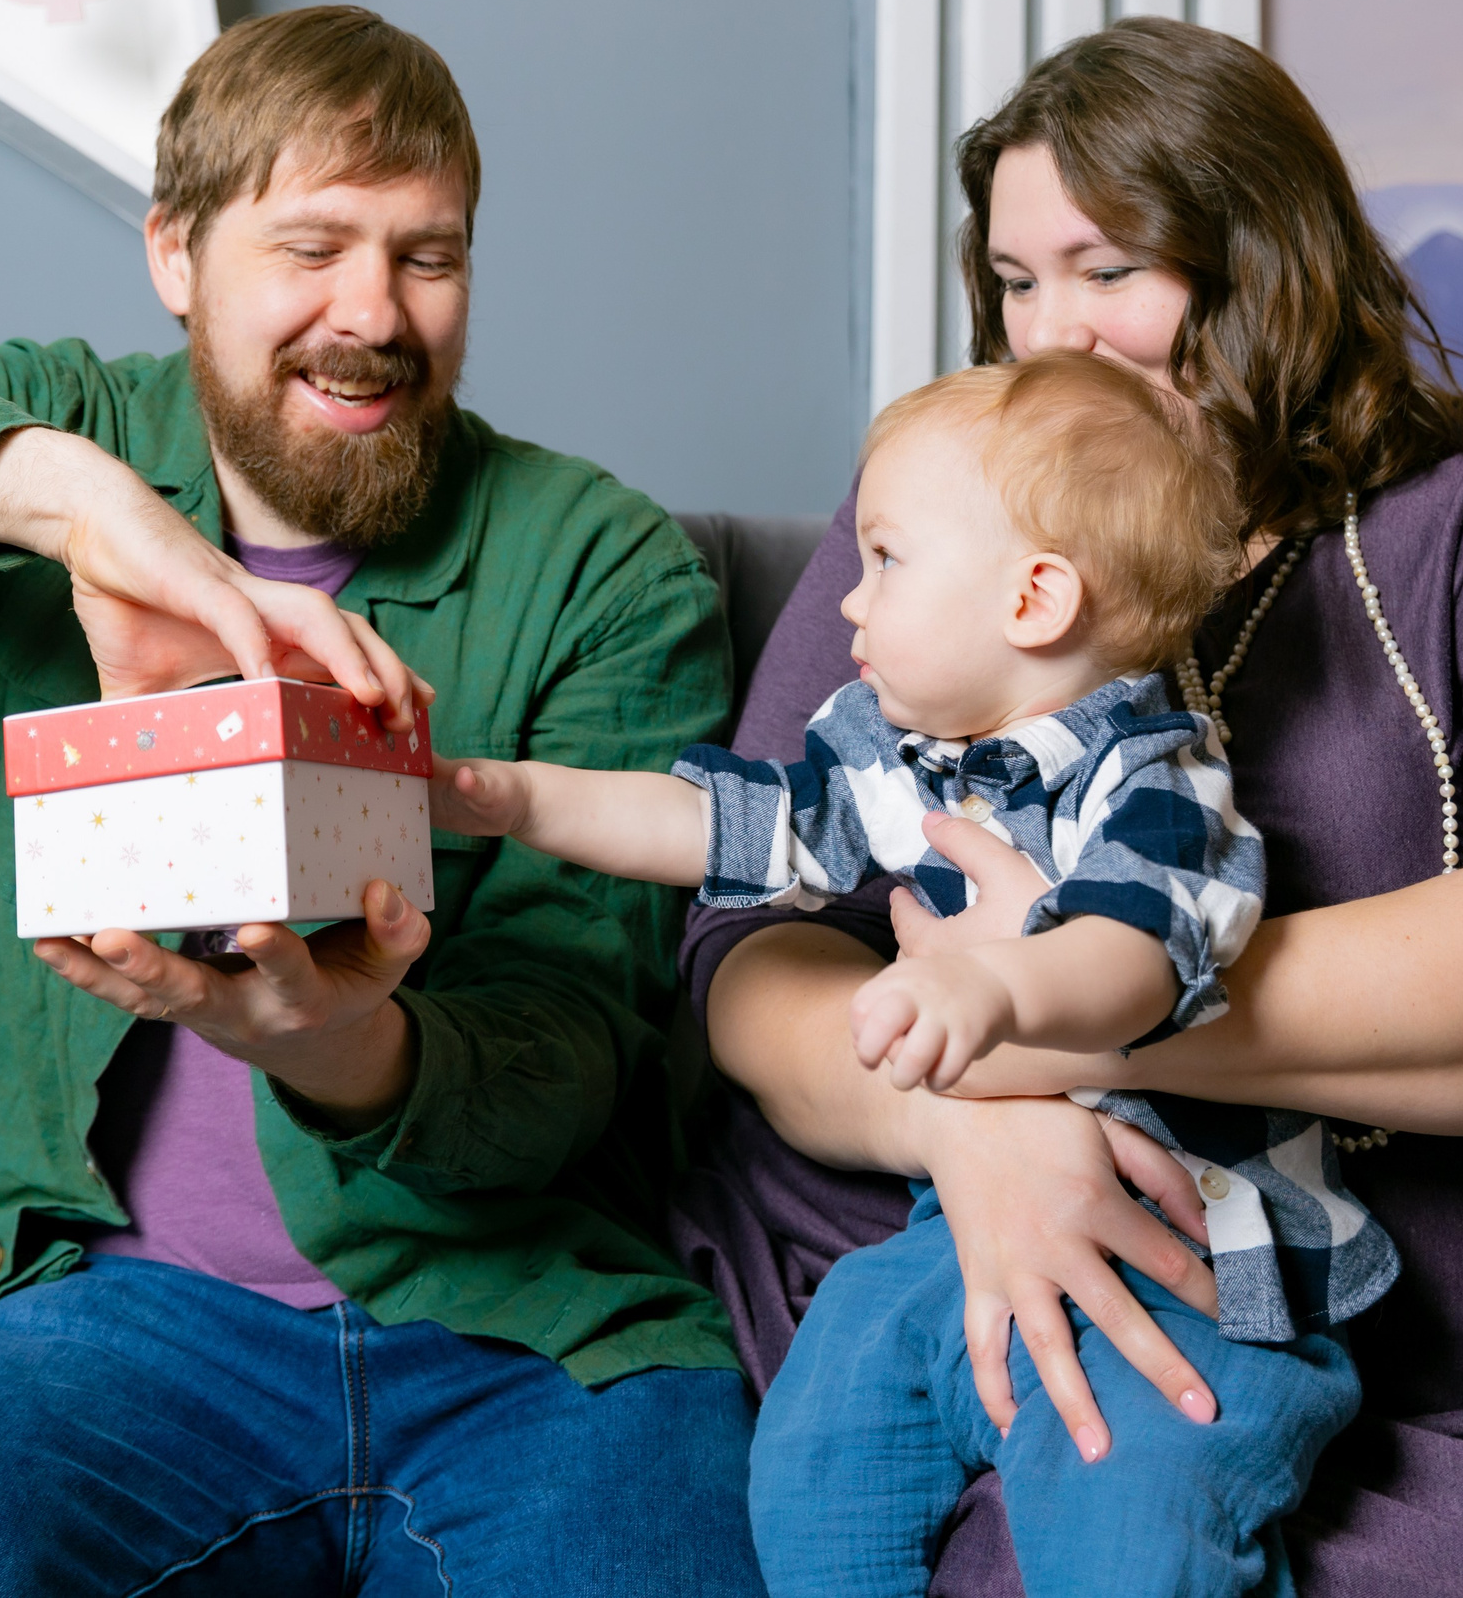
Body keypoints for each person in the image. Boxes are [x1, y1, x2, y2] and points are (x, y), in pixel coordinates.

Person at [674, 16, 1463, 1595]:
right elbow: (754, 951)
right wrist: (960, 1122)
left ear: (1269, 265)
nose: (1052, 334)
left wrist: (1060, 1012)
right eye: (1016, 282)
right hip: (1056, 1305)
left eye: (1108, 269)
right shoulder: (940, 524)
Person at [0, 5, 764, 1595]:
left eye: (428, 256)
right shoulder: (62, 446)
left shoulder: (605, 565)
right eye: (313, 247)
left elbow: (578, 1048)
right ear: (176, 252)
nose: (375, 312)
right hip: (117, 1330)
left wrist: (341, 1044)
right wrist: (80, 509)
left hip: (530, 1337)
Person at [435, 351, 1391, 1597]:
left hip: (1193, 1267)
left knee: (1132, 1526)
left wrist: (989, 991)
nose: (848, 599)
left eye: (886, 559)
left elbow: (1129, 961)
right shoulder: (898, 759)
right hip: (958, 1239)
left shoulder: (1155, 779)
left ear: (1033, 598)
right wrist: (518, 798)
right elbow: (719, 827)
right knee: (811, 1468)